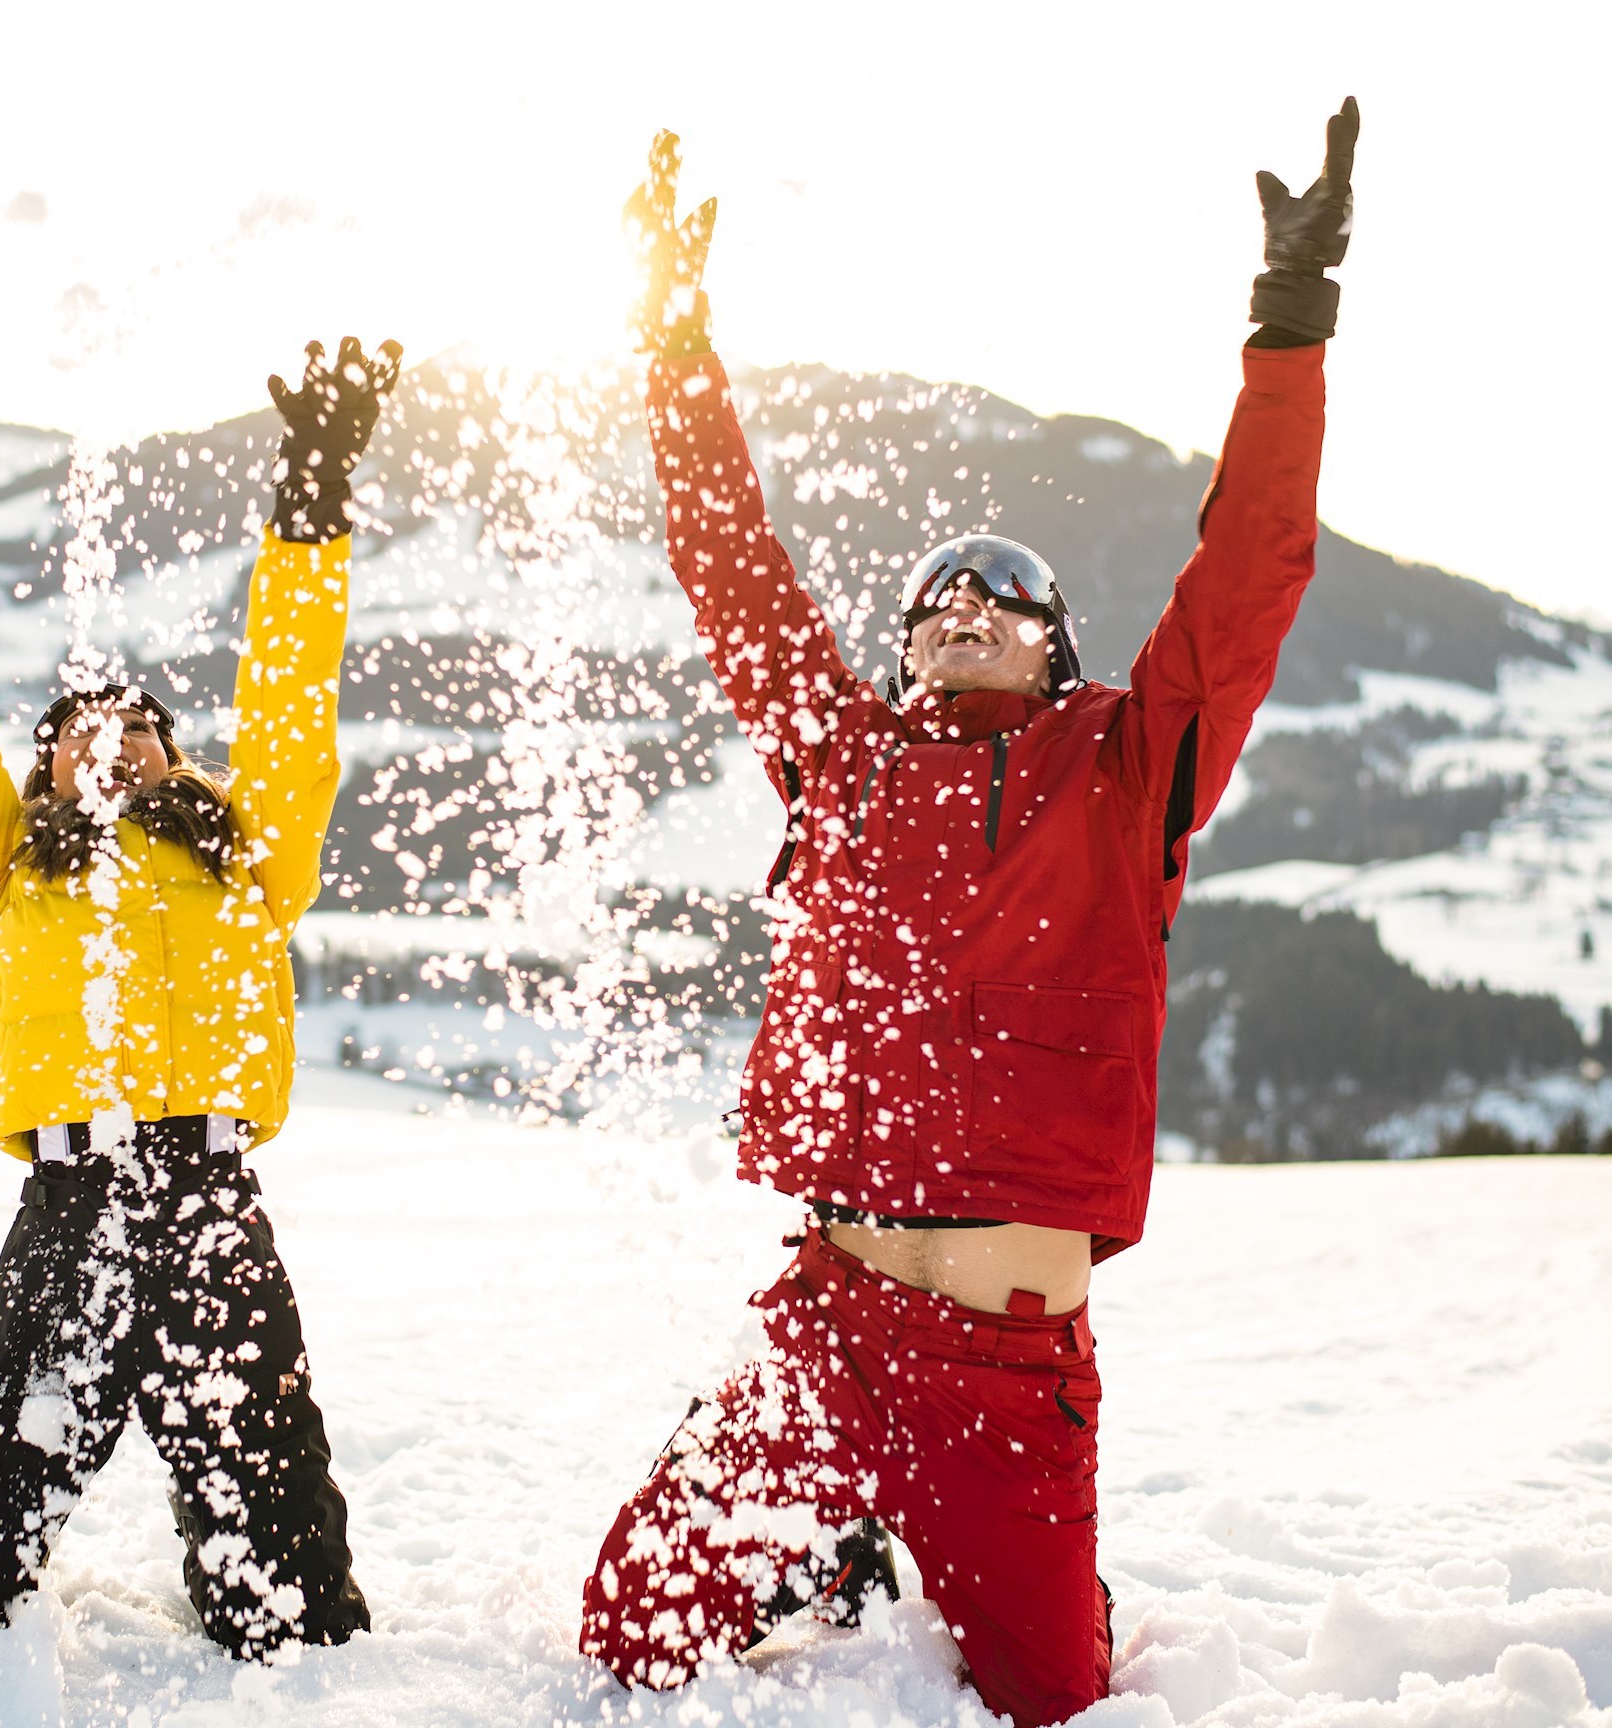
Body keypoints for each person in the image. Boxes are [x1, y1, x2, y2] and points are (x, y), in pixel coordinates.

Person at [579, 104, 1357, 1728]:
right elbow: (730, 564)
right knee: (629, 1626)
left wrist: (1287, 330)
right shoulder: (843, 760)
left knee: (1051, 1700)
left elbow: (1251, 569)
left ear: (1056, 647)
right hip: (832, 1319)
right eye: (935, 595)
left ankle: (937, 1547)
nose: (962, 608)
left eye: (1004, 593)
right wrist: (670, 335)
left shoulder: (1127, 771)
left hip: (1002, 1355)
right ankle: (848, 1543)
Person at [0, 321, 403, 1661]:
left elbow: (292, 692)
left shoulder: (248, 865)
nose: (109, 746)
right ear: (44, 775)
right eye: (75, 737)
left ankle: (294, 1672)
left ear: (177, 765)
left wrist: (312, 505)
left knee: (278, 1547)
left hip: (213, 1206)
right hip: (74, 1216)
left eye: (140, 732)